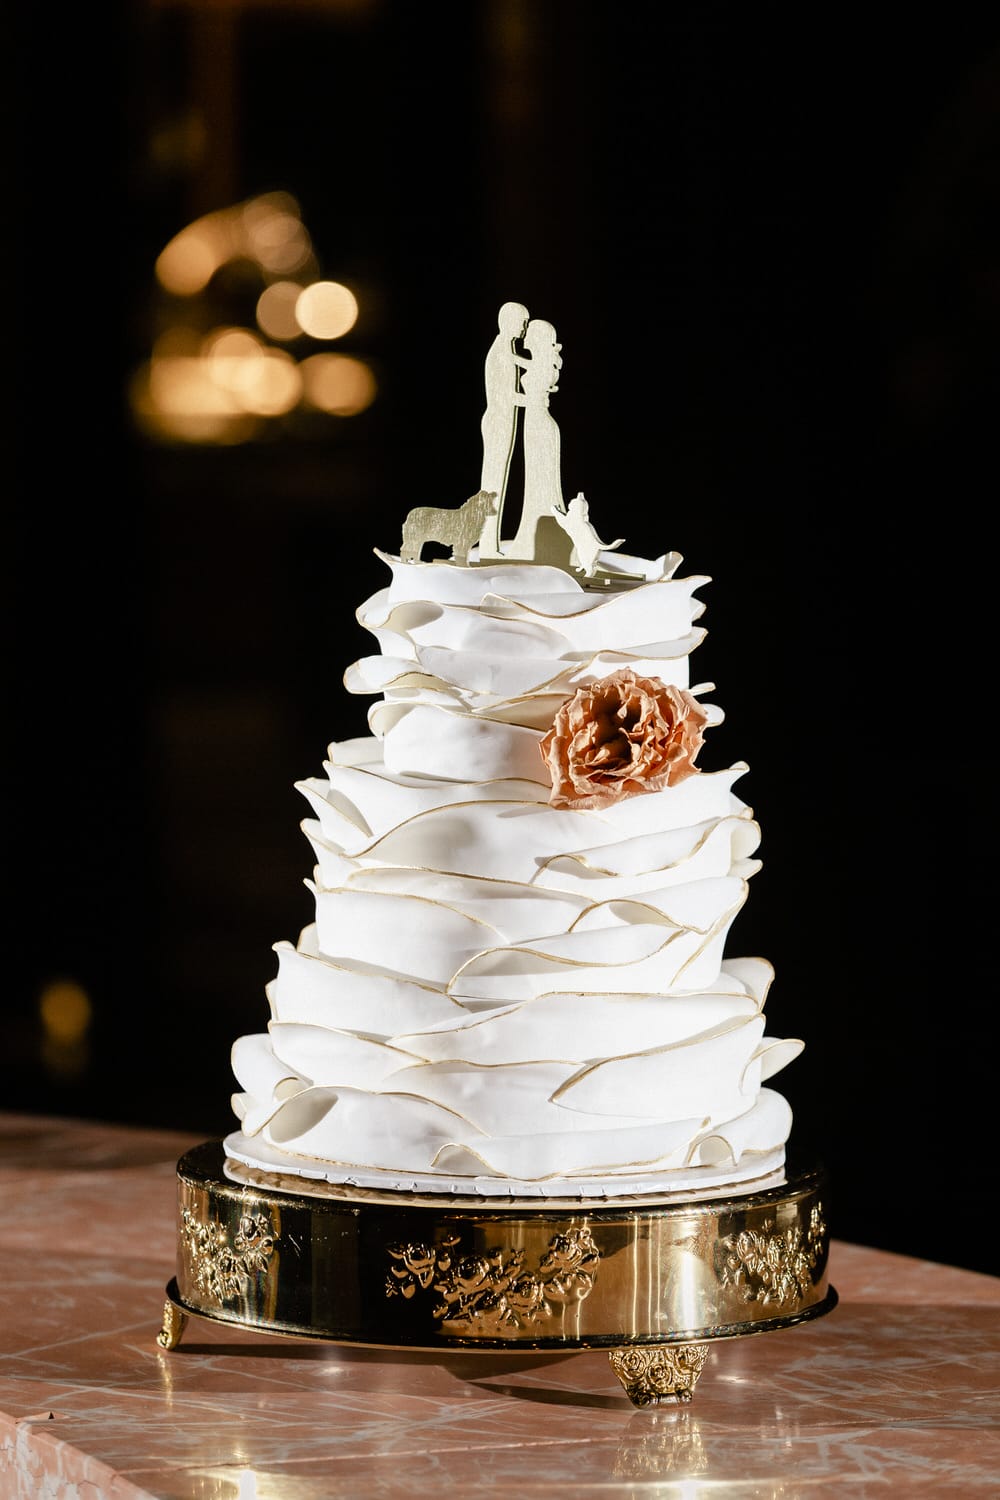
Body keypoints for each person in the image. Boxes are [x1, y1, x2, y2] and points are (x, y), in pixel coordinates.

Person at [478, 301, 529, 556]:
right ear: (507, 321)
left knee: (496, 485)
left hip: (504, 420)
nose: (524, 328)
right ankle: (487, 545)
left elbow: (523, 362)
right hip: (498, 422)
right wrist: (535, 400)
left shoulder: (507, 351)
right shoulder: (500, 352)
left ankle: (490, 544)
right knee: (492, 488)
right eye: (522, 323)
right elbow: (506, 396)